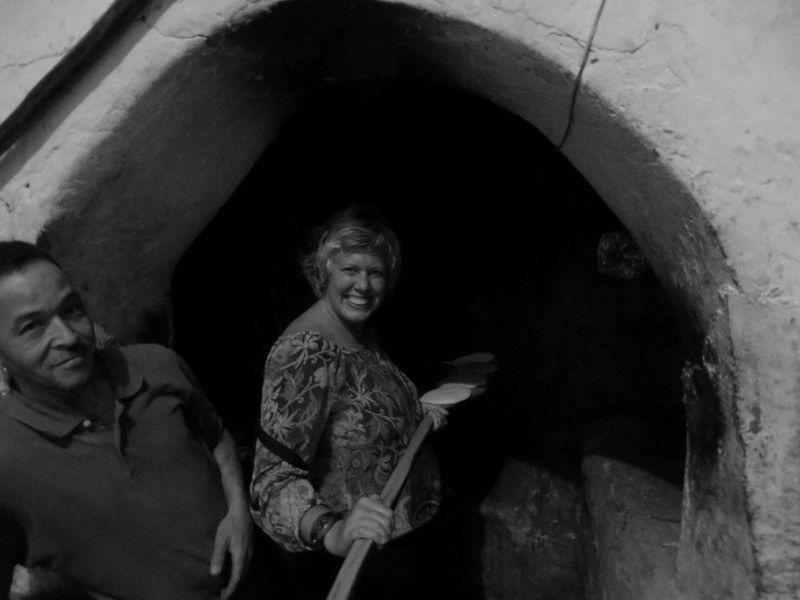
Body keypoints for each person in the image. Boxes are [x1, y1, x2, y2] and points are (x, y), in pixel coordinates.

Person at [0, 241, 253, 600]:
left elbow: (215, 436)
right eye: (32, 327)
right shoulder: (5, 460)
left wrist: (238, 506)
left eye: (71, 310)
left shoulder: (157, 364)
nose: (68, 337)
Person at [249, 206, 448, 600]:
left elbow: (358, 414)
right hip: (354, 565)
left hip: (395, 549)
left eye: (375, 272)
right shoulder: (307, 351)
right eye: (350, 270)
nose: (363, 285)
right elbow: (270, 484)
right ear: (325, 271)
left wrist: (414, 414)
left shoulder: (357, 331)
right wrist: (334, 533)